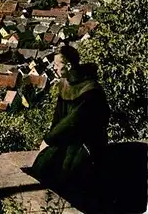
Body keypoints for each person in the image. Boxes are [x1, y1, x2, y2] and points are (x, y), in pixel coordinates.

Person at [25, 43, 110, 213]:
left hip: (87, 141)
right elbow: (58, 118)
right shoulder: (65, 84)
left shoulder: (90, 89)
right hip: (69, 137)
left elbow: (74, 120)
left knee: (72, 173)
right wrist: (49, 139)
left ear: (68, 65)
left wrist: (49, 139)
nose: (54, 68)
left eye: (57, 64)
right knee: (44, 163)